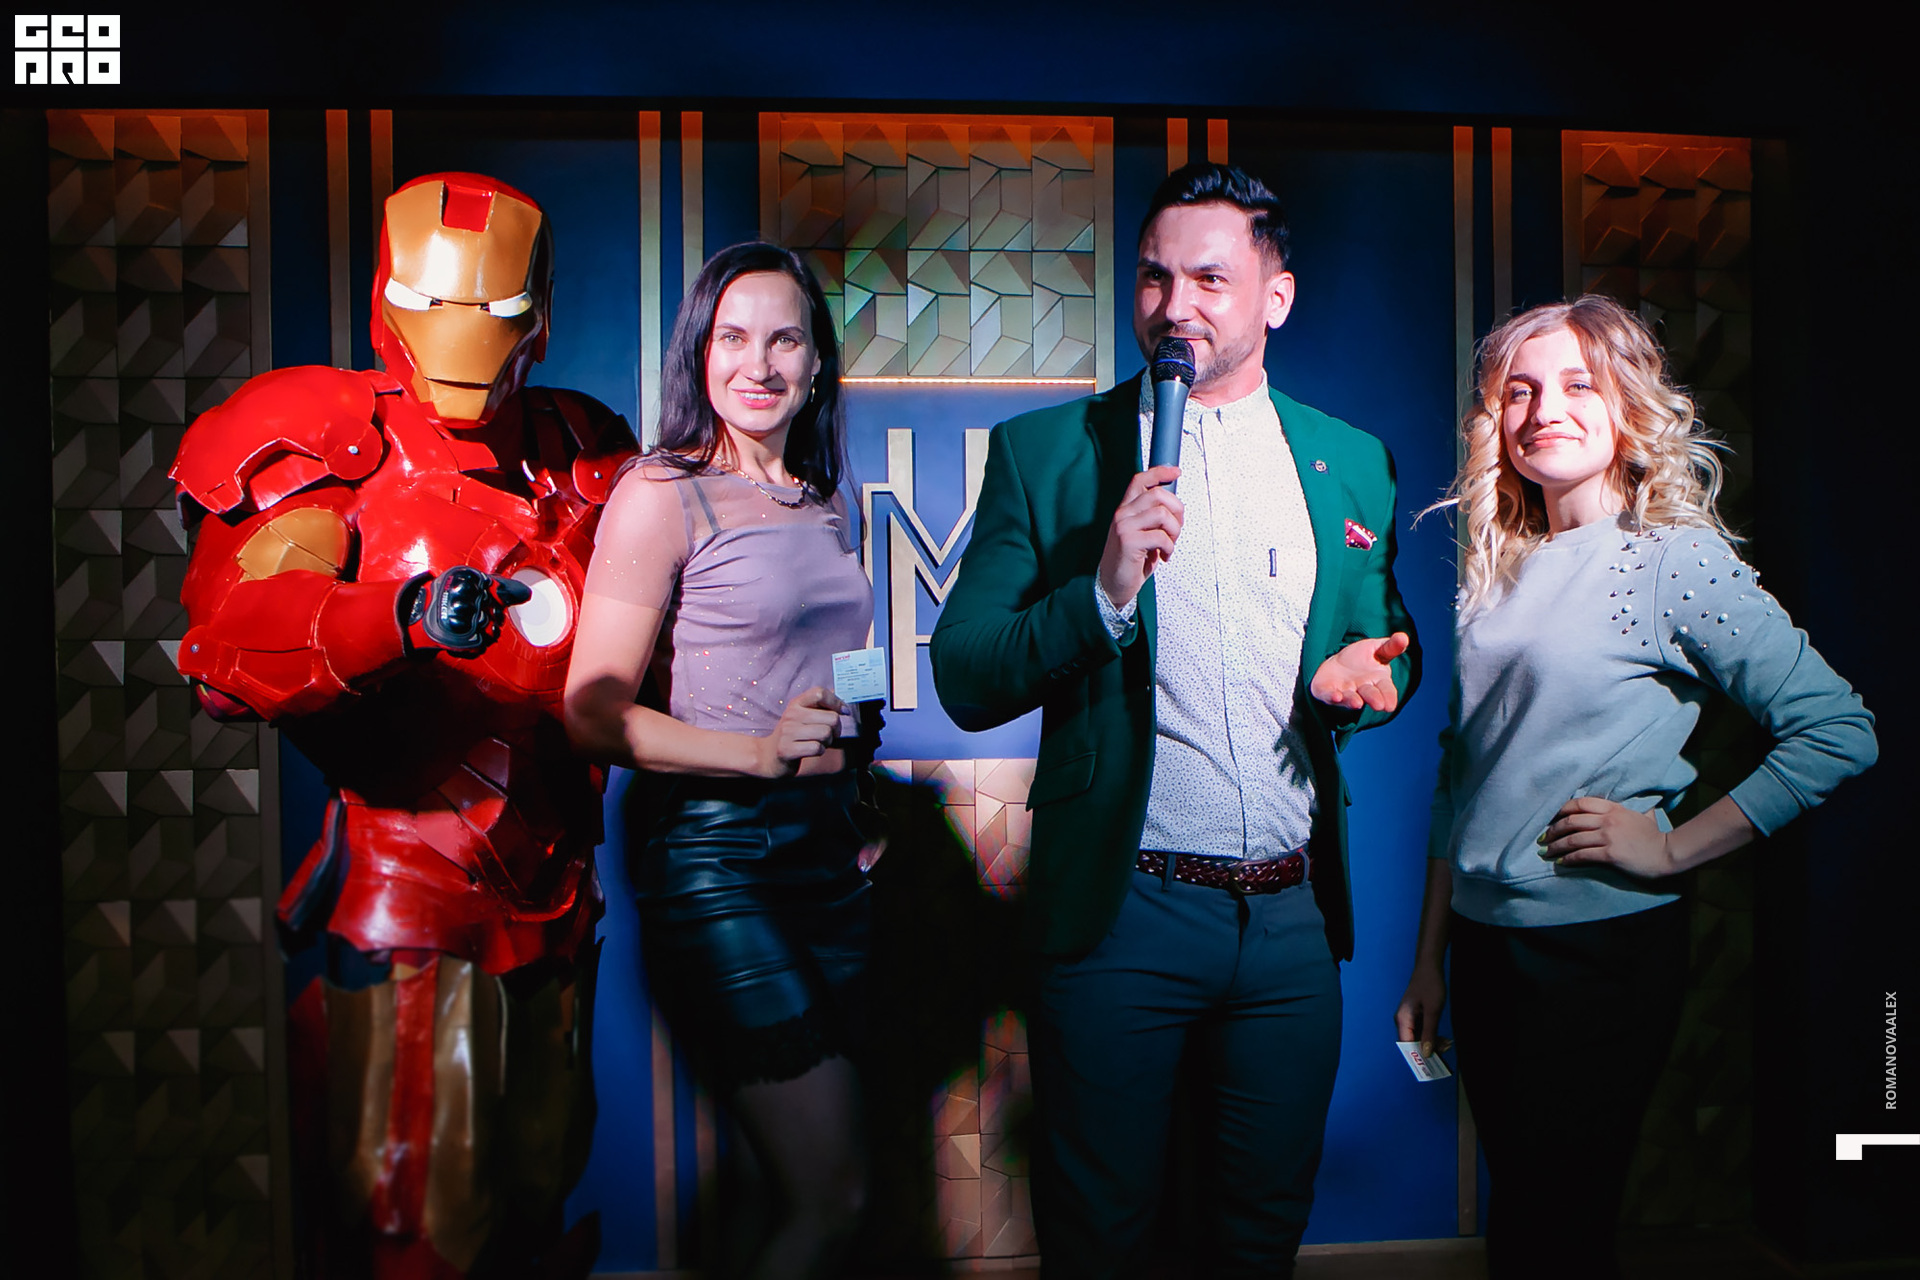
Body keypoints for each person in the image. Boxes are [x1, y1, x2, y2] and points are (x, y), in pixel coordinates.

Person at [930, 162, 1420, 1277]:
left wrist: (1372, 675)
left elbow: (1386, 634)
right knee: (1102, 1239)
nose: (1173, 305)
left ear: (1274, 297)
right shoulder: (1050, 452)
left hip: (1290, 922)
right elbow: (965, 673)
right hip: (1125, 915)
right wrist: (1102, 592)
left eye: (1209, 278)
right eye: (1155, 277)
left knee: (1257, 1235)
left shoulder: (1353, 462)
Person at [171, 173, 634, 1277]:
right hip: (407, 877)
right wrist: (400, 616)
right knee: (418, 1209)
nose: (466, 338)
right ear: (389, 298)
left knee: (538, 1182)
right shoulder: (330, 440)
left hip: (557, 878)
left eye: (500, 310)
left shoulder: (580, 448)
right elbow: (233, 646)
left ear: (539, 315)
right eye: (435, 304)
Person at [1394, 294, 1876, 1278]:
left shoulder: (1671, 561)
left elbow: (1837, 730)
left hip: (1596, 953)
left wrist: (1670, 848)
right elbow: (1460, 771)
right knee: (1525, 1225)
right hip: (1485, 950)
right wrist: (1429, 959)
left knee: (1557, 1231)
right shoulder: (1498, 571)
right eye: (1520, 390)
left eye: (1578, 384)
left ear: (1627, 405)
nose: (1544, 410)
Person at [563, 242, 879, 1280]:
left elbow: (841, 667)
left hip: (830, 858)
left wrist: (859, 781)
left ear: (818, 362)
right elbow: (591, 712)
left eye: (785, 339)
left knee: (783, 1182)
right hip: (719, 856)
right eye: (733, 337)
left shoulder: (830, 498)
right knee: (831, 1192)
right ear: (699, 354)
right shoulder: (663, 492)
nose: (759, 363)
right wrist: (758, 752)